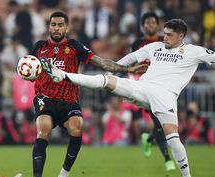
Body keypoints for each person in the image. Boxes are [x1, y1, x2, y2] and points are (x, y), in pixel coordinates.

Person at [41, 19, 215, 177]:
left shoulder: (194, 52)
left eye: (170, 35)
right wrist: (114, 69)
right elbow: (131, 56)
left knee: (173, 140)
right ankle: (64, 75)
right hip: (143, 88)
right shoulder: (155, 47)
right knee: (105, 80)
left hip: (165, 97)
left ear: (181, 36)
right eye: (165, 33)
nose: (165, 37)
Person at [29, 11, 144, 177]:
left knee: (77, 127)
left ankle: (63, 174)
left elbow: (101, 62)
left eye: (60, 25)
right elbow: (29, 70)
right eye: (53, 24)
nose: (56, 28)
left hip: (68, 99)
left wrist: (127, 69)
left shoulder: (74, 46)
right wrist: (28, 74)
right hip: (45, 98)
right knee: (43, 131)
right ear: (49, 26)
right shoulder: (39, 47)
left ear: (66, 28)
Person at [131, 12, 175, 171]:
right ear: (143, 26)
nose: (150, 25)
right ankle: (168, 160)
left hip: (163, 86)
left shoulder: (165, 42)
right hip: (145, 87)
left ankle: (148, 140)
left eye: (153, 22)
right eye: (147, 22)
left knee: (161, 124)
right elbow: (132, 63)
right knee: (159, 122)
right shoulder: (137, 43)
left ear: (158, 25)